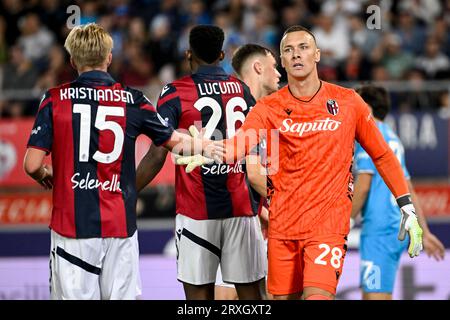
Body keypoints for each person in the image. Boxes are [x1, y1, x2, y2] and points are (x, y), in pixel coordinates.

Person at [184, 25, 424, 300]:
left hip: (327, 228)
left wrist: (406, 204)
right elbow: (237, 148)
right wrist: (206, 147)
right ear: (283, 62)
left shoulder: (348, 102)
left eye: (303, 47)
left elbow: (382, 154)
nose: (296, 54)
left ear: (317, 55)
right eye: (288, 50)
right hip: (283, 229)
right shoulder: (267, 108)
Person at [23, 23, 222, 300]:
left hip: (72, 227)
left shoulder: (54, 99)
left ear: (72, 61)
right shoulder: (133, 99)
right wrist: (210, 145)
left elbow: (31, 165)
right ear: (109, 58)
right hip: (120, 226)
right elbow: (173, 141)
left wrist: (45, 172)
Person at [136, 25, 266, 300]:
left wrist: (128, 190)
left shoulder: (174, 92)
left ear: (188, 54)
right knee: (251, 296)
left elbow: (158, 153)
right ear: (222, 55)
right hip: (241, 207)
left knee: (198, 300)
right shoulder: (241, 90)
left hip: (196, 211)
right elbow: (258, 148)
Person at [351, 84, 445, 300]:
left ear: (366, 107)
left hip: (379, 230)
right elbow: (408, 188)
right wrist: (424, 230)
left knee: (373, 296)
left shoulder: (370, 136)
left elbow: (364, 184)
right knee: (382, 294)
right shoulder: (393, 138)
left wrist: (345, 221)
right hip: (395, 229)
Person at [214, 43, 281, 300]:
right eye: (274, 67)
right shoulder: (247, 112)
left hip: (255, 225)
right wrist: (291, 211)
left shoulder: (266, 113)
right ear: (257, 67)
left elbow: (266, 177)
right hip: (235, 224)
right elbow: (254, 175)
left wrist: (266, 211)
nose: (278, 74)